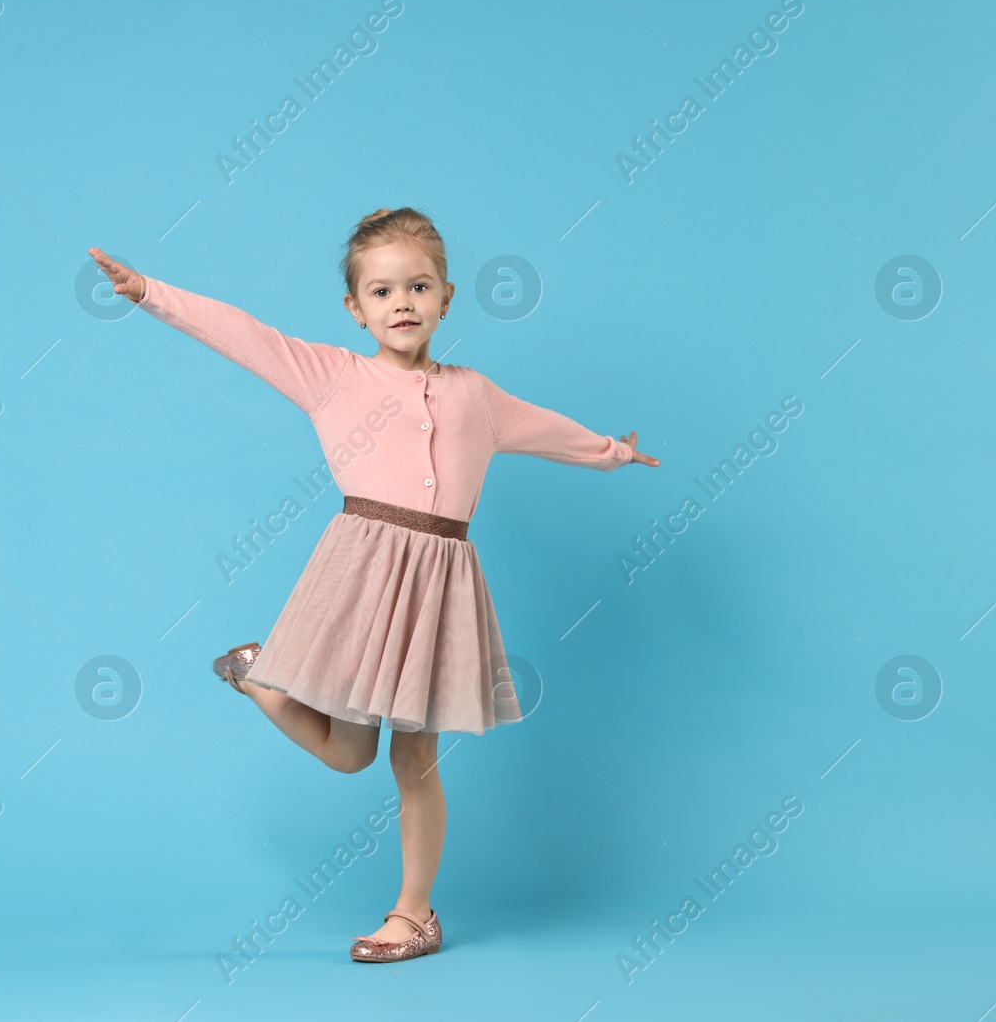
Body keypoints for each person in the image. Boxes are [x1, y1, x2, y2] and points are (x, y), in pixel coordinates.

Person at [88, 206, 658, 963]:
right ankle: (262, 679)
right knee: (351, 755)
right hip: (362, 575)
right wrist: (152, 292)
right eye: (383, 292)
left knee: (412, 759)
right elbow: (244, 335)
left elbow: (544, 427)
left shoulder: (476, 395)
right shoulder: (331, 376)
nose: (403, 304)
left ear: (447, 297)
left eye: (418, 287)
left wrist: (611, 452)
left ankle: (415, 913)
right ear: (355, 309)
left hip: (440, 582)